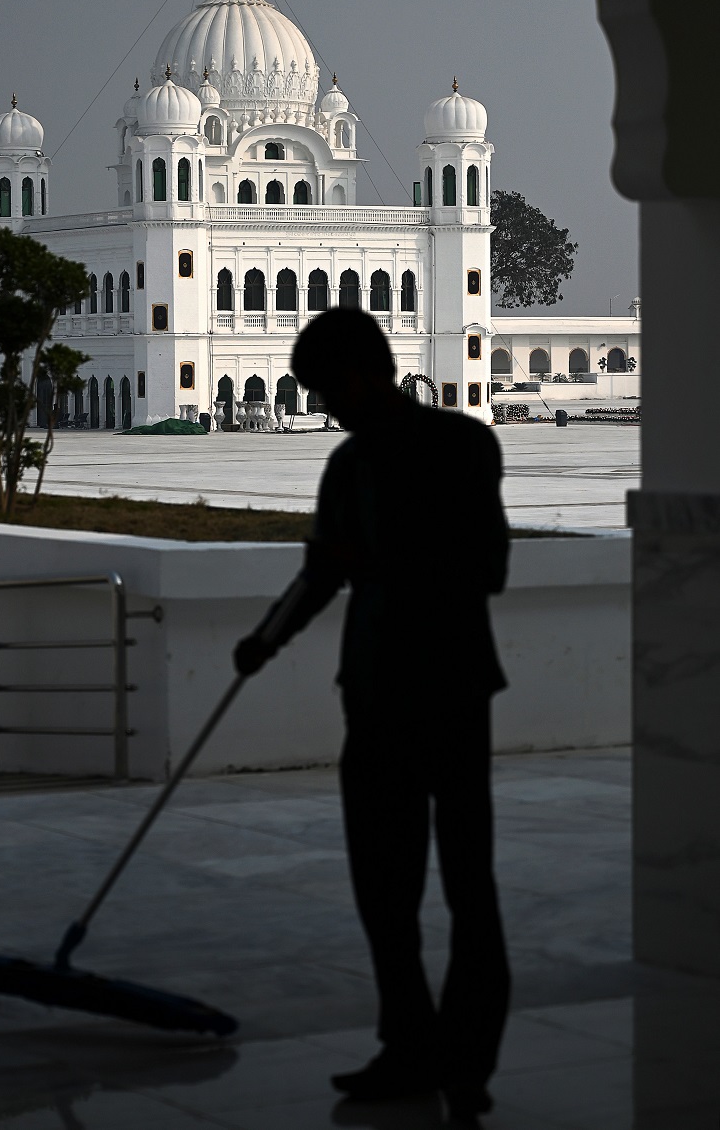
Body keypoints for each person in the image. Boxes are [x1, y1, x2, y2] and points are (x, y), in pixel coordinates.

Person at [234, 309, 510, 1124]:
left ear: (361, 373)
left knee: (467, 886)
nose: (325, 406)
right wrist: (267, 638)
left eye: (326, 389)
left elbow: (484, 567)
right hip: (378, 694)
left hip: (450, 691)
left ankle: (466, 1061)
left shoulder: (463, 446)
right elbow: (323, 572)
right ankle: (408, 1045)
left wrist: (376, 562)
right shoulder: (348, 463)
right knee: (384, 889)